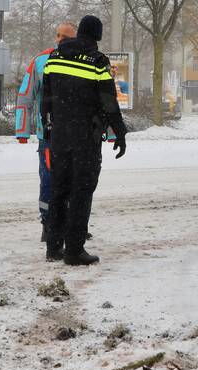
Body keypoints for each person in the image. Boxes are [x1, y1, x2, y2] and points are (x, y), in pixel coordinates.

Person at [41, 15, 127, 265]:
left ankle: (54, 248)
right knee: (81, 191)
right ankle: (74, 251)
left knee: (59, 190)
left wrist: (49, 128)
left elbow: (45, 98)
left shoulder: (53, 58)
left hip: (58, 135)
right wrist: (119, 133)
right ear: (97, 36)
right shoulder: (97, 62)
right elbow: (109, 102)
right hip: (85, 139)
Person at [14, 21, 78, 243]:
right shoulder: (40, 61)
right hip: (48, 136)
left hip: (76, 137)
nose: (59, 39)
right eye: (57, 35)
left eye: (65, 36)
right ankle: (48, 224)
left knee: (76, 182)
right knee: (49, 180)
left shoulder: (84, 61)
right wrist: (22, 130)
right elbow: (25, 95)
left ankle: (73, 224)